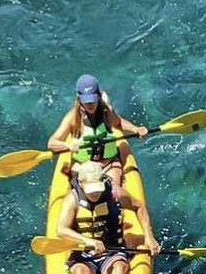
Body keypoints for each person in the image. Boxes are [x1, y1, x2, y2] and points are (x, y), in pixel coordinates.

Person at [55, 160, 159, 274]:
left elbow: (139, 207)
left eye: (97, 189)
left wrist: (148, 236)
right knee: (81, 273)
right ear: (81, 183)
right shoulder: (72, 199)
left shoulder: (115, 192)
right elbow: (61, 229)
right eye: (90, 190)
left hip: (112, 250)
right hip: (83, 253)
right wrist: (86, 240)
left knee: (119, 268)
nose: (95, 194)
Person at [47, 74, 148, 203]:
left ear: (99, 96)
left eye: (92, 100)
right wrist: (68, 146)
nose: (89, 104)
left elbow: (118, 123)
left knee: (113, 192)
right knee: (83, 196)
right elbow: (52, 143)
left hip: (108, 164)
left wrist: (135, 129)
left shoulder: (107, 112)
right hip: (83, 166)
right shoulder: (72, 118)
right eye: (86, 100)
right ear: (79, 99)